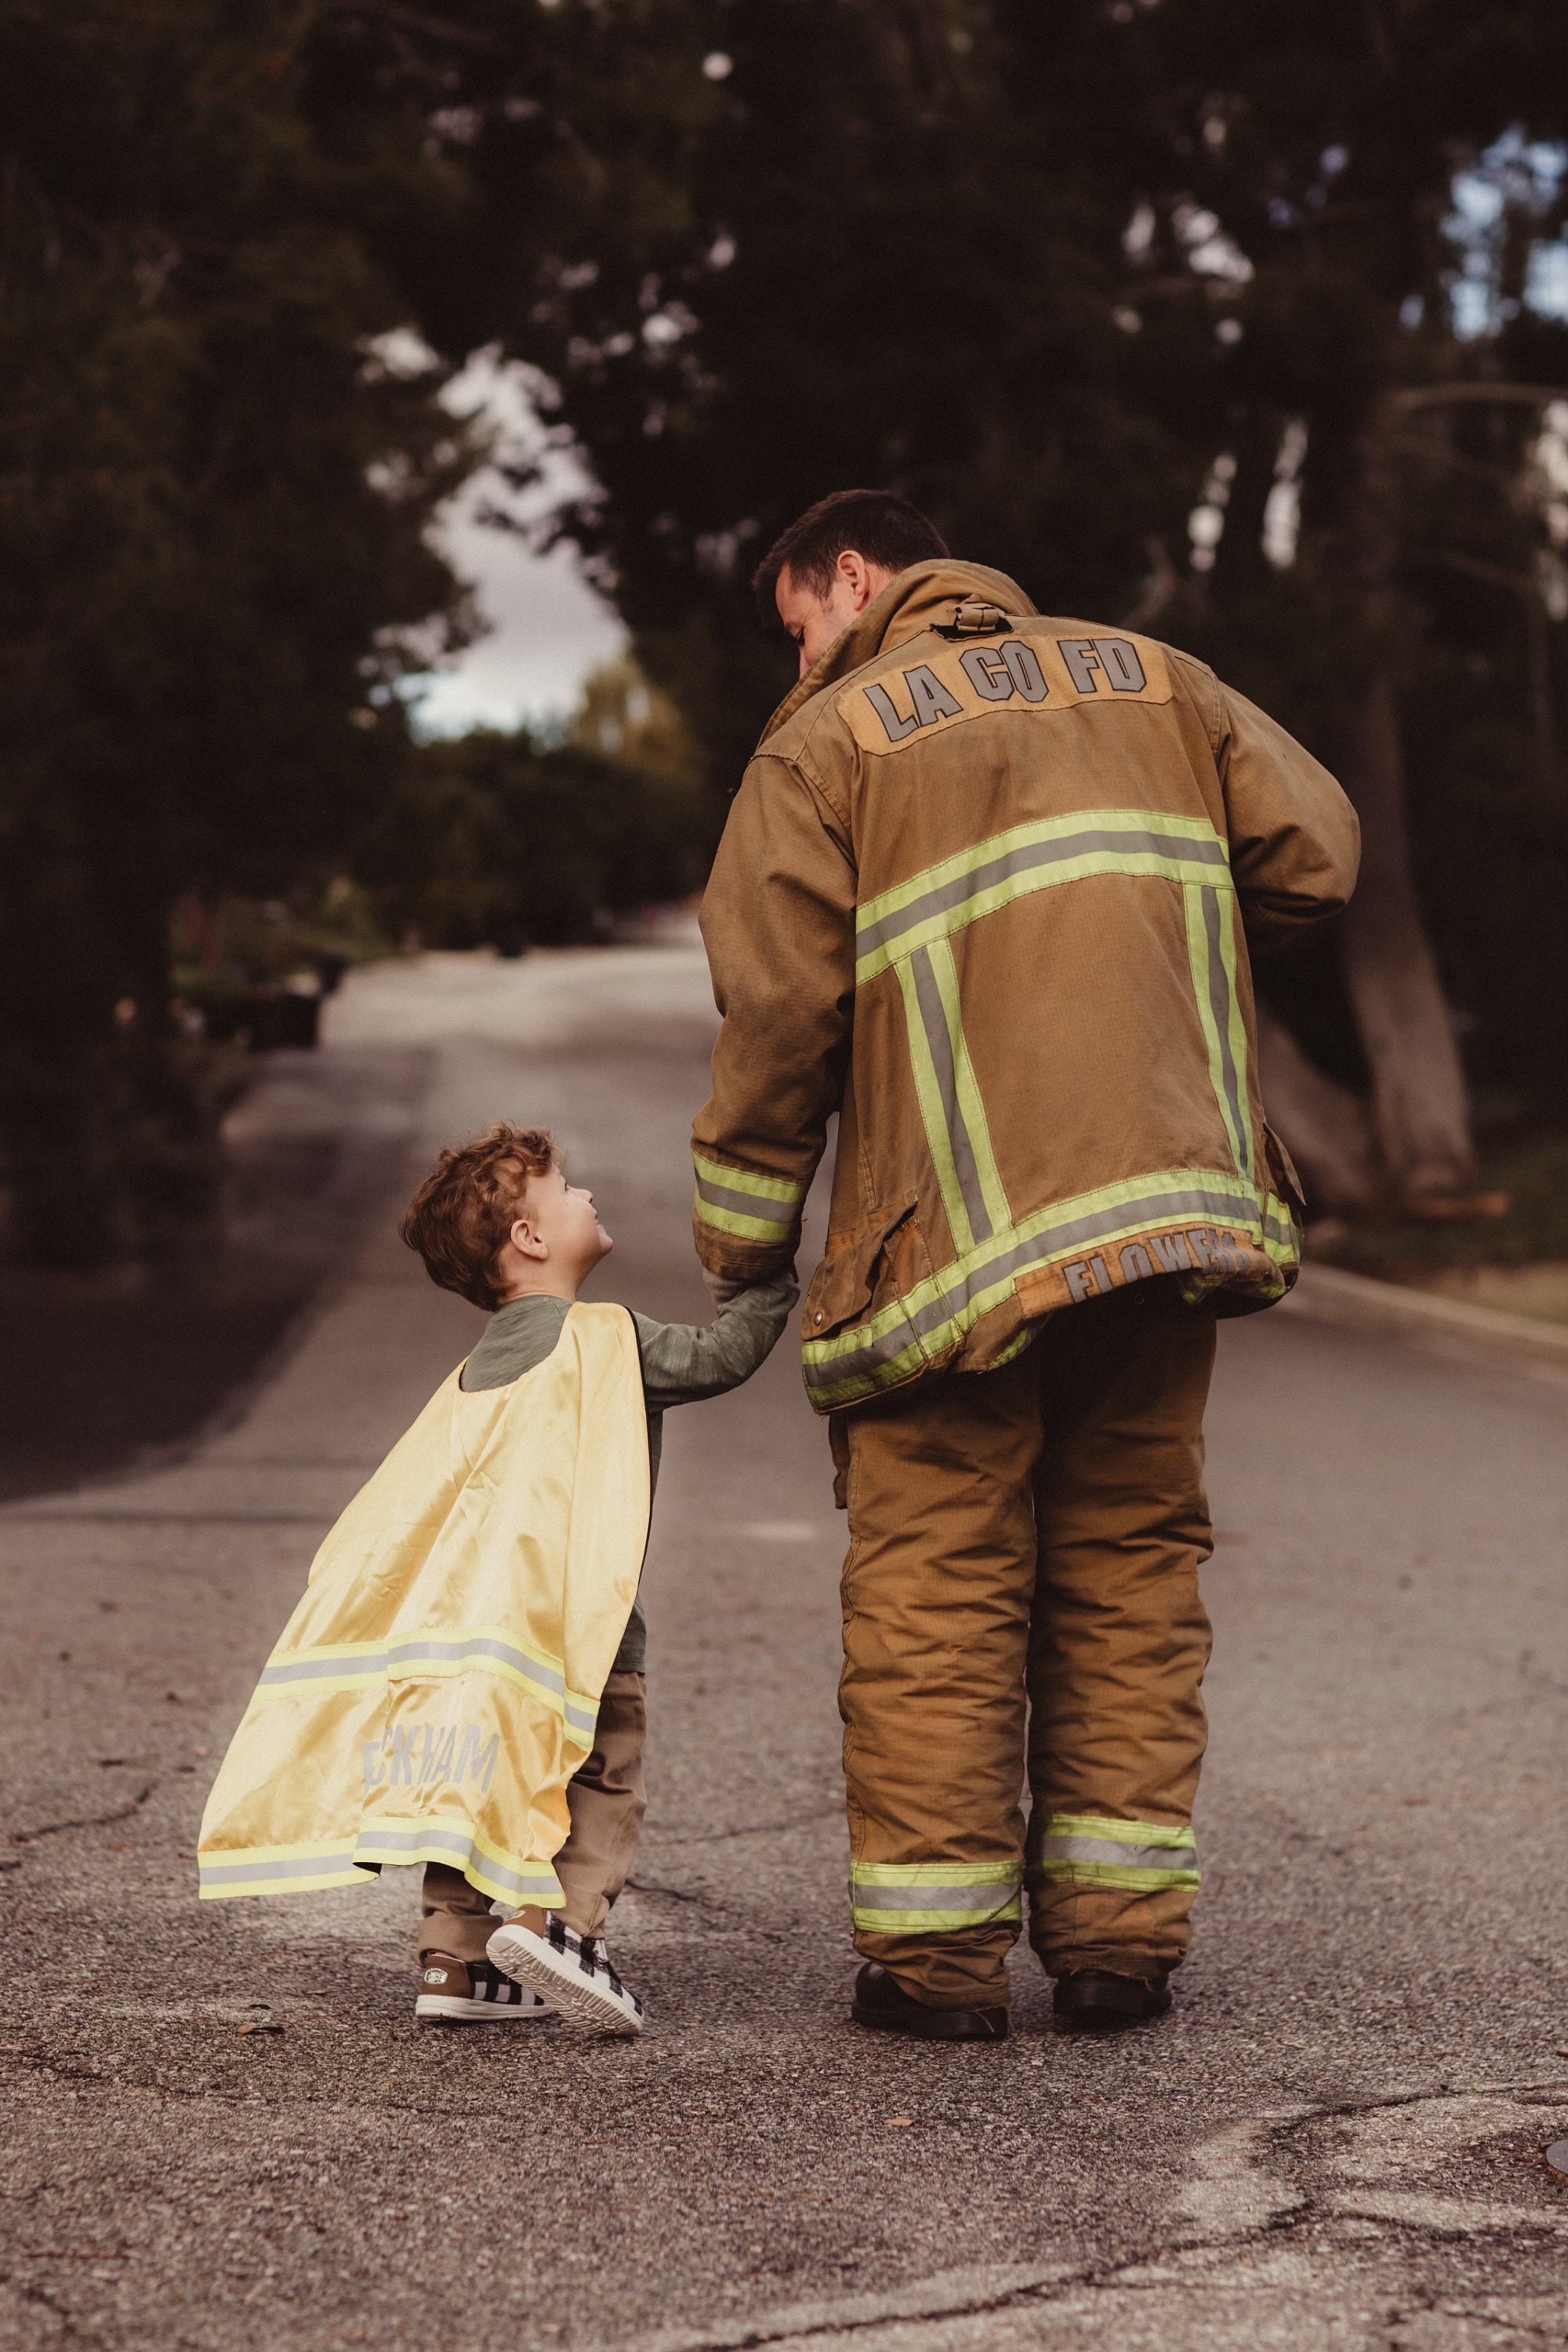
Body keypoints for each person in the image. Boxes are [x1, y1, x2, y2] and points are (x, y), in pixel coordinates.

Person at [691, 488, 1359, 2043]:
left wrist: (744, 1250)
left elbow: (775, 1031)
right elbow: (1315, 855)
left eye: (794, 624)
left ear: (850, 576)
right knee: (1130, 1573)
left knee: (939, 1590)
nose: (794, 661)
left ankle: (935, 1974)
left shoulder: (829, 740)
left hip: (947, 1254)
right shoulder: (1157, 679)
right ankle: (1119, 1950)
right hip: (1164, 1220)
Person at [198, 1124, 794, 2036]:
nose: (587, 1193)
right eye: (567, 1186)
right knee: (596, 1781)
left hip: (478, 1643)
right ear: (530, 1239)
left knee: (473, 1793)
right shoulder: (607, 1339)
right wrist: (763, 1279)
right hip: (581, 1639)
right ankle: (561, 1931)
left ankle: (454, 1960)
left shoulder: (474, 1371)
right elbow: (723, 1355)